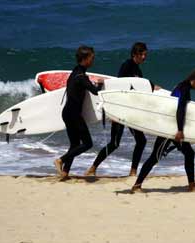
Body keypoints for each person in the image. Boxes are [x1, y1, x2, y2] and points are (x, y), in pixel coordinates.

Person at [131, 68, 195, 193]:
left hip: (173, 127)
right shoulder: (185, 88)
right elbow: (180, 109)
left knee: (189, 153)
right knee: (155, 156)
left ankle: (192, 186)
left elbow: (188, 109)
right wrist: (180, 130)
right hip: (171, 129)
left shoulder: (182, 86)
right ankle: (137, 186)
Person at [86, 42, 161, 177]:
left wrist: (152, 86)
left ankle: (133, 172)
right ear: (135, 54)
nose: (144, 57)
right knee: (114, 143)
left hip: (131, 111)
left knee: (141, 141)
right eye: (142, 54)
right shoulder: (127, 66)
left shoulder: (138, 70)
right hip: (121, 110)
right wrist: (114, 113)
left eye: (145, 54)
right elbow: (119, 87)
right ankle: (93, 167)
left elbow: (138, 87)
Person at [54, 45, 103, 180]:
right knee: (88, 144)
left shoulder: (75, 72)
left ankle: (65, 173)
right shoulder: (81, 76)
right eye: (92, 58)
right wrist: (100, 83)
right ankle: (61, 160)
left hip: (67, 112)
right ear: (85, 59)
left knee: (75, 145)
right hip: (74, 114)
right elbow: (95, 92)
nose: (93, 60)